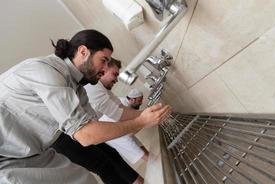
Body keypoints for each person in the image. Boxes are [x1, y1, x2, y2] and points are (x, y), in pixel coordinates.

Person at [0, 29, 171, 184]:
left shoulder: (77, 89)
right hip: (6, 153)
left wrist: (142, 120)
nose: (105, 69)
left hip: (30, 152)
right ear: (83, 52)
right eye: (103, 61)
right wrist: (141, 121)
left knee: (85, 180)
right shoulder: (46, 72)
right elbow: (86, 135)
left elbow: (96, 130)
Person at [52, 58, 148, 183]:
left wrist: (145, 115)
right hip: (64, 136)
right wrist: (144, 118)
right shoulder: (94, 87)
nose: (116, 79)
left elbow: (120, 108)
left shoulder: (101, 88)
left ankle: (140, 182)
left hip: (82, 128)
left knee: (112, 156)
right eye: (114, 74)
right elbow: (118, 113)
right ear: (104, 69)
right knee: (103, 166)